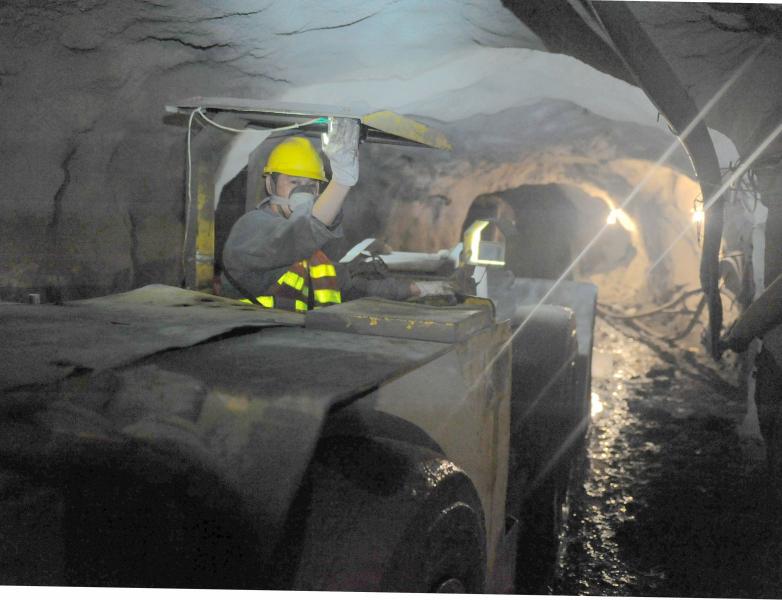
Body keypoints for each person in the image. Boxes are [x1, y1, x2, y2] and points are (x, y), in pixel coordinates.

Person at [221, 118, 444, 311]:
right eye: (294, 182)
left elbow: (348, 285)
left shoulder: (310, 251)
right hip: (246, 338)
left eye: (311, 185)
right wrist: (341, 182)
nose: (304, 191)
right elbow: (298, 234)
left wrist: (418, 289)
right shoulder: (250, 229)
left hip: (296, 340)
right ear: (270, 184)